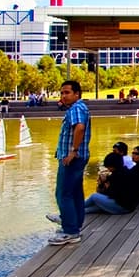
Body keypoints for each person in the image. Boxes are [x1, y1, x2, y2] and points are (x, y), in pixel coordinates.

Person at [47, 80, 90, 246]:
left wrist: (73, 151)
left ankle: (70, 231)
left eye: (67, 92)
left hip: (71, 159)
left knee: (63, 193)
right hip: (78, 157)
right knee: (75, 192)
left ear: (77, 94)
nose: (63, 96)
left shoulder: (76, 108)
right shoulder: (80, 107)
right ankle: (75, 225)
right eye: (62, 93)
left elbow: (79, 128)